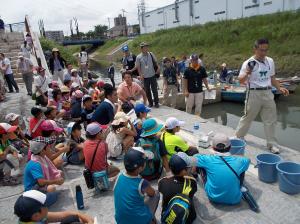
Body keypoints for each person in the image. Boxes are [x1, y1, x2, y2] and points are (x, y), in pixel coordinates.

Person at [236, 38, 289, 154]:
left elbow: (272, 78)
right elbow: (240, 80)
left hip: (268, 92)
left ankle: (272, 144)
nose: (264, 53)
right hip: (253, 93)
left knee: (271, 119)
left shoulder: (270, 61)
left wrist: (279, 88)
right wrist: (248, 72)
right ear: (255, 49)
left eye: (266, 50)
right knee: (248, 116)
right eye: (261, 50)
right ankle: (239, 136)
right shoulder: (248, 63)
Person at [194, 133, 250, 205]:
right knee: (242, 167)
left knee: (201, 165)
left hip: (213, 197)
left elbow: (194, 157)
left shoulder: (207, 159)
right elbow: (248, 160)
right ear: (230, 147)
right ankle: (240, 186)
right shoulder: (240, 161)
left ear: (213, 148)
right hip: (235, 198)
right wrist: (234, 156)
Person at [114, 147, 160, 224]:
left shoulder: (119, 176)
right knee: (156, 193)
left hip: (120, 220)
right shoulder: (142, 183)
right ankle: (151, 220)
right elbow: (152, 193)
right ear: (140, 168)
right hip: (139, 221)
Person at [158, 152, 198, 224]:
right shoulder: (192, 182)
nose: (190, 168)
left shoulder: (162, 181)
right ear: (183, 171)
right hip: (187, 218)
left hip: (169, 215)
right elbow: (193, 193)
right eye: (188, 167)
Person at [24, 137, 64, 207]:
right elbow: (41, 182)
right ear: (42, 150)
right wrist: (56, 181)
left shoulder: (41, 157)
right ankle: (39, 204)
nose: (50, 148)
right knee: (52, 189)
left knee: (60, 173)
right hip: (32, 190)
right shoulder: (35, 164)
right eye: (48, 147)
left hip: (38, 185)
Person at [14, 190, 94, 224]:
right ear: (36, 215)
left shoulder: (35, 217)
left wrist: (89, 220)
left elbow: (66, 214)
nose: (47, 206)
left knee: (73, 218)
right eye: (45, 205)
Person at [135, 42, 160, 108]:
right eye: (144, 47)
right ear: (141, 49)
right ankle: (150, 103)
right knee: (147, 91)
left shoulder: (151, 54)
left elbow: (156, 62)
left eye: (147, 47)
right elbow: (138, 67)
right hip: (145, 77)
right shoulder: (138, 57)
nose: (146, 48)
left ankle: (156, 103)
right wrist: (140, 75)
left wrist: (158, 68)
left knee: (154, 90)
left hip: (152, 75)